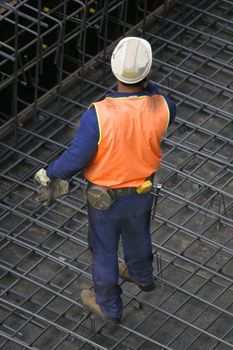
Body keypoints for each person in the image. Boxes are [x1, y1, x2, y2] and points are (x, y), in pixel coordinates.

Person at [34, 36, 176, 325]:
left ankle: (109, 306)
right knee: (139, 235)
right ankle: (141, 275)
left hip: (106, 199)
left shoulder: (99, 114)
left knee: (104, 250)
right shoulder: (163, 106)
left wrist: (51, 173)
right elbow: (157, 98)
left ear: (113, 70)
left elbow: (77, 157)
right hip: (142, 191)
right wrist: (147, 83)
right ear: (147, 74)